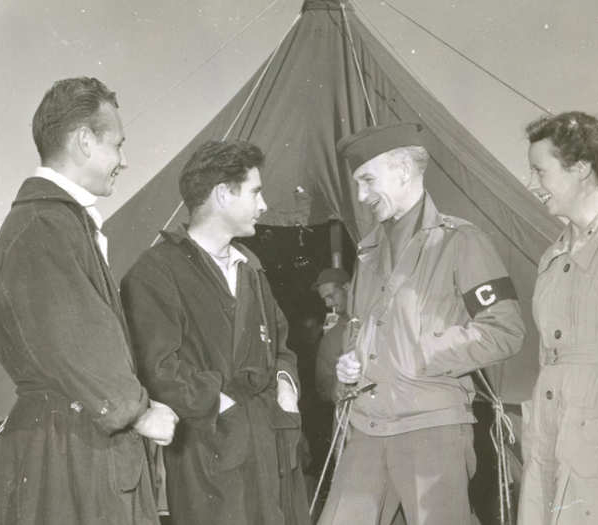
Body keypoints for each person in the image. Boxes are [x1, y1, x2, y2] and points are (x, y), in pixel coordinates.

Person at [0, 77, 177, 525]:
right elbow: (74, 341)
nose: (124, 161)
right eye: (118, 145)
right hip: (70, 450)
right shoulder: (43, 227)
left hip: (76, 441)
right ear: (85, 141)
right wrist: (138, 412)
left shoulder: (58, 222)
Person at [317, 122, 525, 525]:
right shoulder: (368, 252)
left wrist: (423, 351)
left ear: (402, 170)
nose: (360, 196)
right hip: (369, 426)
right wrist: (349, 362)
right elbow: (361, 329)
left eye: (367, 180)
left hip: (432, 429)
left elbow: (505, 330)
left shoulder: (460, 241)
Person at [120, 140, 310, 525]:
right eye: (256, 192)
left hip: (271, 444)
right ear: (223, 194)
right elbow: (157, 369)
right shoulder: (155, 272)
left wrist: (286, 387)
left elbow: (280, 342)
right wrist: (222, 404)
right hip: (210, 452)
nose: (264, 206)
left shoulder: (250, 267)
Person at [518, 111, 598, 524]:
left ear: (581, 168)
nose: (533, 185)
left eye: (541, 171)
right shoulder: (551, 255)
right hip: (551, 429)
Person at [313, 268, 351, 403]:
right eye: (324, 299)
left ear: (347, 287)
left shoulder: (375, 322)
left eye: (331, 296)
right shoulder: (330, 339)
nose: (328, 304)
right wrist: (335, 388)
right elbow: (323, 385)